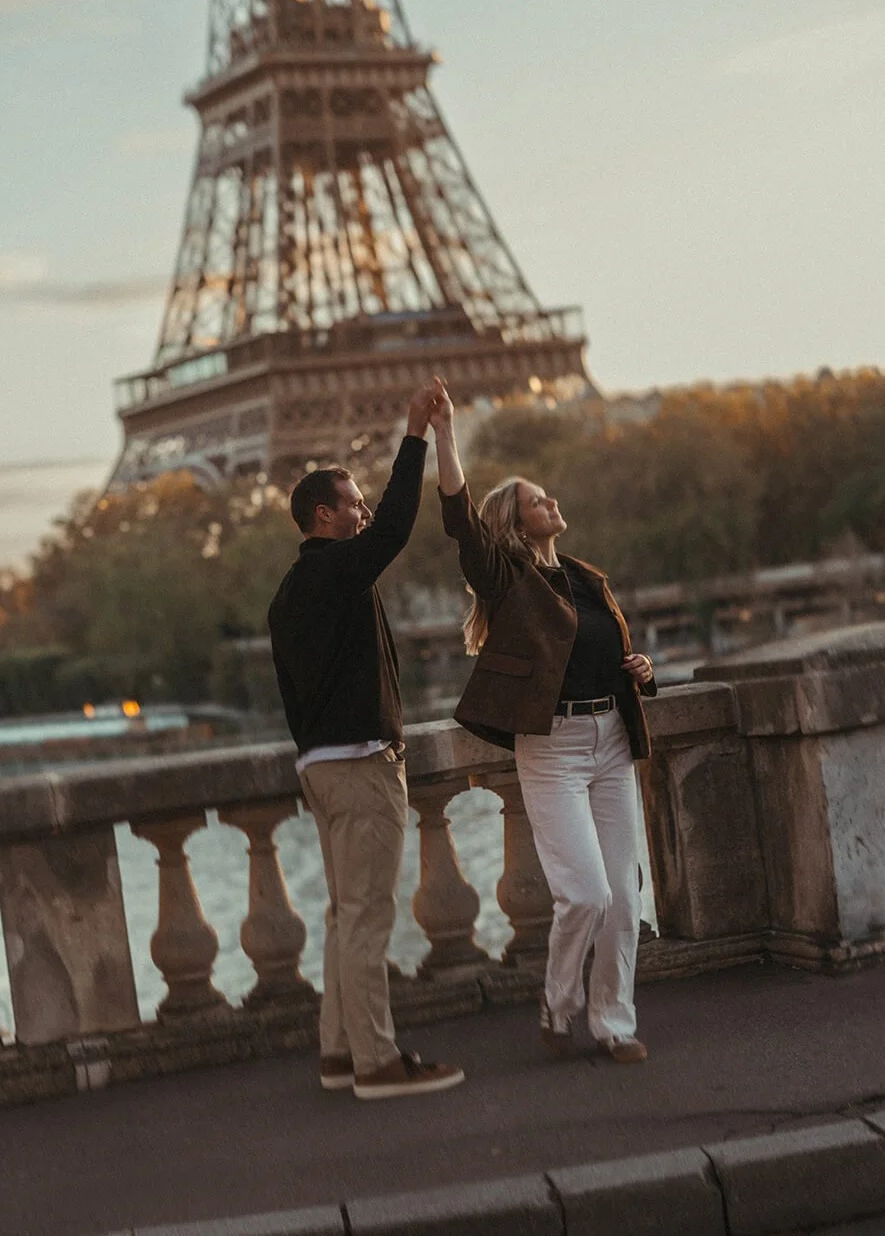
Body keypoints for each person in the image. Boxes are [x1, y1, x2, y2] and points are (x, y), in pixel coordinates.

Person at [430, 384, 656, 1063]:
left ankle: (613, 1023)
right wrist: (444, 433)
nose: (550, 502)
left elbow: (599, 654)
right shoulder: (507, 580)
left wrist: (639, 668)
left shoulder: (587, 580)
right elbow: (459, 522)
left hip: (610, 737)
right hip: (553, 748)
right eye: (536, 499)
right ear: (516, 522)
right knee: (583, 894)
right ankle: (557, 1005)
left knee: (622, 899)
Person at [267, 379, 465, 1101]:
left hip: (322, 768)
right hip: (358, 769)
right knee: (368, 919)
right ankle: (377, 1063)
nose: (364, 512)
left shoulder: (291, 591)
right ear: (325, 516)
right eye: (352, 503)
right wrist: (414, 433)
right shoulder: (334, 571)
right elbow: (393, 531)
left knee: (342, 915)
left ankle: (338, 1053)